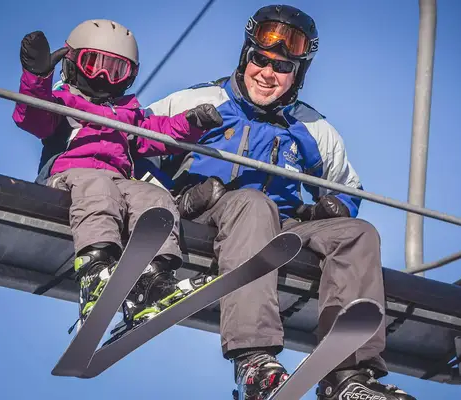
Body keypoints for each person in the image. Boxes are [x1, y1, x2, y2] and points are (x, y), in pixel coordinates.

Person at [144, 5, 416, 400]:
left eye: (283, 67)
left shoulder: (311, 127)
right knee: (253, 203)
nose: (268, 74)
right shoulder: (200, 101)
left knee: (358, 234)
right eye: (261, 60)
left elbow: (347, 187)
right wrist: (177, 202)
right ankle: (254, 360)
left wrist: (333, 207)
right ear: (245, 56)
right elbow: (134, 151)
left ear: (298, 74)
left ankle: (348, 376)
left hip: (279, 228)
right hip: (206, 216)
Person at [12, 19, 223, 330]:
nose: (103, 77)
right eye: (94, 64)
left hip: (118, 182)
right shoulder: (63, 104)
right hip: (69, 178)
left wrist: (192, 123)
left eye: (116, 70)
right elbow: (33, 116)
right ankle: (96, 268)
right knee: (99, 186)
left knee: (155, 196)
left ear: (129, 77)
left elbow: (160, 133)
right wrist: (37, 78)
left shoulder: (127, 115)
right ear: (72, 64)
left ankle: (154, 279)